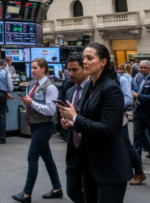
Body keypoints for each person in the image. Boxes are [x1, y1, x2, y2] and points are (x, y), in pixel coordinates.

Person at [58, 43, 131, 203]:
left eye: (89, 58)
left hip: (109, 166)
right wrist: (70, 122)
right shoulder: (88, 87)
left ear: (103, 62)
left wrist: (75, 118)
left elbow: (107, 129)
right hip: (89, 164)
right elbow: (88, 119)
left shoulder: (111, 89)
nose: (85, 61)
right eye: (84, 57)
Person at [12, 58, 63, 202]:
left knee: (32, 157)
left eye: (35, 68)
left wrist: (32, 103)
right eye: (32, 67)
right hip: (35, 125)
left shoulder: (50, 87)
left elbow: (51, 110)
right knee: (48, 158)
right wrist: (27, 101)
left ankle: (27, 194)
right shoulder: (33, 84)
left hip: (44, 126)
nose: (32, 70)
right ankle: (57, 188)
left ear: (43, 69)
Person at [59, 54, 88, 203]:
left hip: (90, 148)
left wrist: (76, 119)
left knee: (91, 192)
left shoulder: (93, 90)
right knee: (72, 191)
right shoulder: (70, 91)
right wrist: (65, 122)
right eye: (69, 70)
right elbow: (71, 116)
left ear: (85, 68)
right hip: (74, 149)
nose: (71, 73)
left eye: (75, 69)